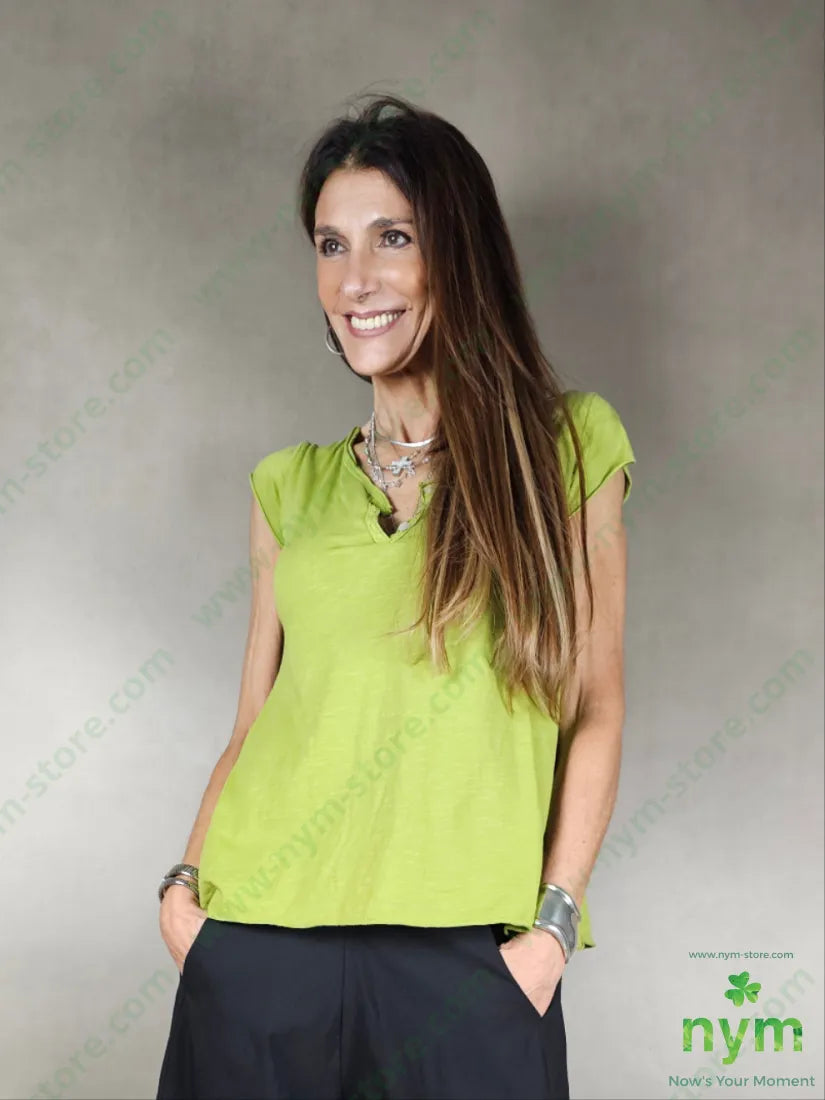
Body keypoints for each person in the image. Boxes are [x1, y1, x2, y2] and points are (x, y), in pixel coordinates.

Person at [155, 93, 636, 1100]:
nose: (354, 279)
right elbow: (253, 721)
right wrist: (185, 895)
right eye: (331, 245)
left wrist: (551, 927)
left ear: (458, 253)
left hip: (468, 967)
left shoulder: (567, 449)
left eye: (393, 237)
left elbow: (595, 703)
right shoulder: (287, 487)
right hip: (260, 947)